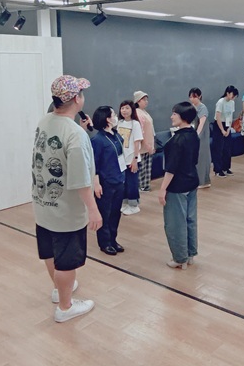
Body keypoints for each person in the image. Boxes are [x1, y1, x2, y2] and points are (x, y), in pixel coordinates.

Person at [32, 75, 102, 323]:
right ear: (76, 100)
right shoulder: (75, 134)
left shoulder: (45, 121)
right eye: (81, 93)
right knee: (67, 260)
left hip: (43, 204)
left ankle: (58, 290)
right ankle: (65, 307)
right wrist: (93, 209)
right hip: (66, 211)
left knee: (50, 251)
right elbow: (80, 179)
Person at [158, 101, 200, 270]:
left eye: (174, 114)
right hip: (191, 181)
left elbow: (171, 169)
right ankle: (189, 254)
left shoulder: (177, 140)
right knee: (190, 219)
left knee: (175, 222)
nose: (171, 117)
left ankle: (179, 257)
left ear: (183, 117)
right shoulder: (193, 134)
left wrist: (162, 189)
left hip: (177, 186)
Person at [91, 106, 126, 255]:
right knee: (105, 213)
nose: (116, 116)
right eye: (113, 114)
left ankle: (113, 239)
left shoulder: (116, 135)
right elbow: (94, 164)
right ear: (107, 119)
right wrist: (96, 184)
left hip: (119, 179)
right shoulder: (98, 140)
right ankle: (104, 243)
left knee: (115, 213)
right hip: (105, 182)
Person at [117, 100, 143, 215]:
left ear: (132, 109)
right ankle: (125, 202)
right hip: (122, 159)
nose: (124, 111)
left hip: (132, 158)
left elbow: (137, 143)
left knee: (132, 182)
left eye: (127, 108)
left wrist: (135, 159)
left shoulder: (135, 124)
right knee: (124, 183)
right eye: (122, 108)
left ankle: (134, 205)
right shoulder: (119, 123)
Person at [212, 85, 239, 178]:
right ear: (227, 93)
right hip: (219, 125)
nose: (233, 97)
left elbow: (230, 115)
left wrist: (228, 128)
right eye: (233, 95)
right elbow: (218, 117)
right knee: (218, 148)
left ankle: (226, 167)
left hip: (227, 124)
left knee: (227, 148)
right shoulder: (220, 102)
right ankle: (218, 170)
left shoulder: (232, 102)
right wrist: (222, 130)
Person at [189, 88, 212, 189]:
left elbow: (201, 123)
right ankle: (196, 180)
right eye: (190, 97)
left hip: (202, 135)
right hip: (194, 133)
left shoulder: (202, 108)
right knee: (195, 157)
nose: (192, 99)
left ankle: (204, 181)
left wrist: (196, 135)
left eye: (194, 97)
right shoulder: (192, 107)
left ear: (199, 96)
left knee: (202, 156)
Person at [134, 91, 155, 192]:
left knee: (147, 167)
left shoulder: (145, 112)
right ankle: (141, 186)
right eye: (144, 100)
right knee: (142, 167)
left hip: (149, 144)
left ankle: (145, 185)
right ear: (138, 101)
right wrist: (146, 144)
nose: (146, 102)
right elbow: (140, 131)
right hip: (143, 146)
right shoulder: (138, 113)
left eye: (147, 100)